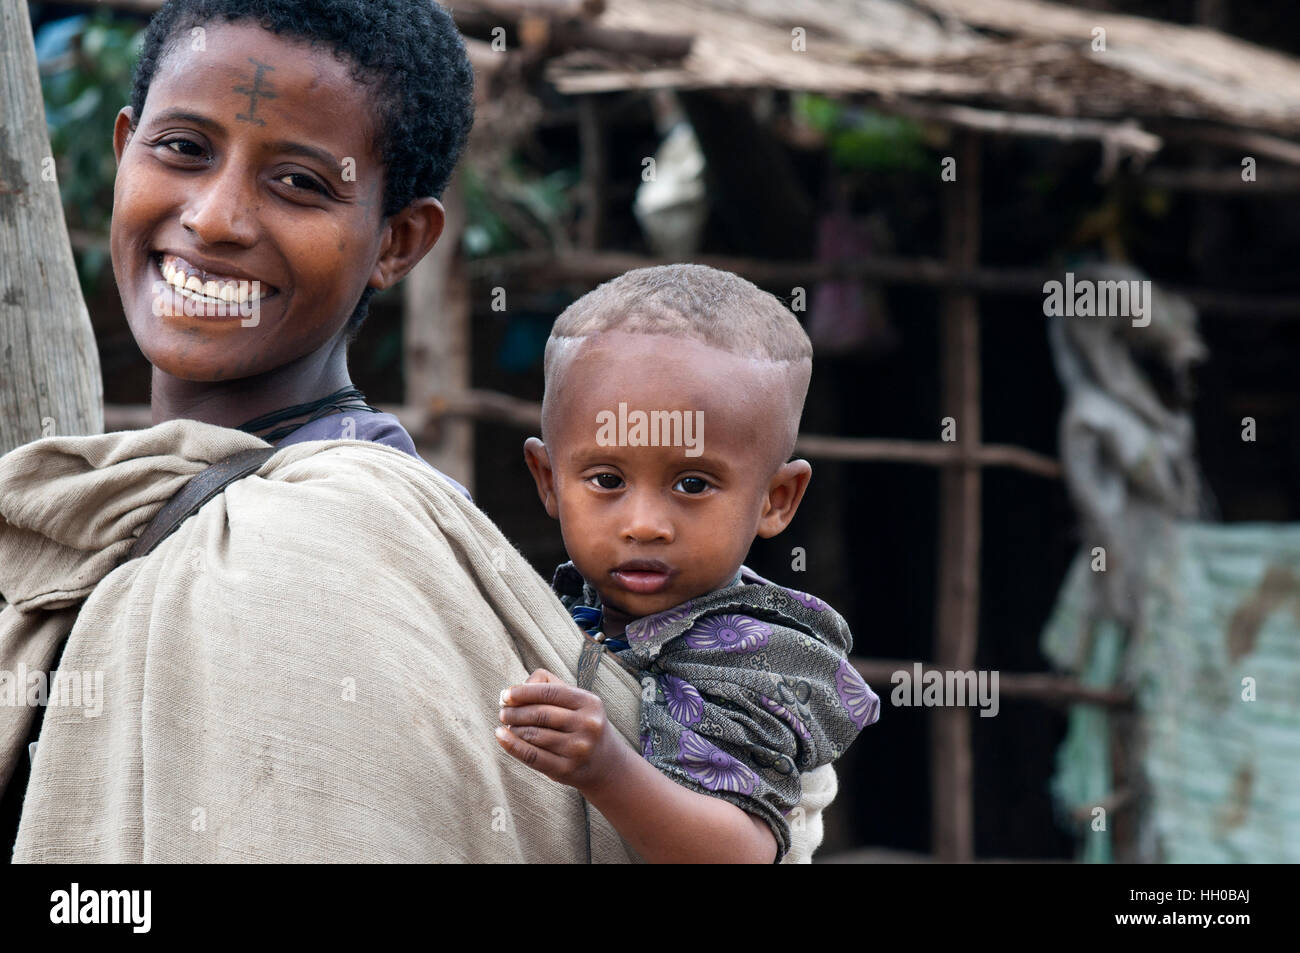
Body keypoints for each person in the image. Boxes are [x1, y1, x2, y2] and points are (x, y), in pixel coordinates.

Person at [0, 0, 616, 863]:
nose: (215, 218)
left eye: (300, 182)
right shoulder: (110, 504)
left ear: (398, 241)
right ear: (123, 149)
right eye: (183, 149)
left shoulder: (336, 548)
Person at [500, 264, 881, 863]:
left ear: (775, 501)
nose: (646, 523)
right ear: (548, 481)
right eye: (606, 479)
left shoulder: (757, 655)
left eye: (694, 484)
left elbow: (742, 854)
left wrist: (608, 768)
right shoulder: (556, 609)